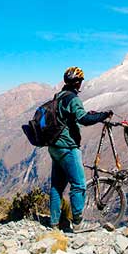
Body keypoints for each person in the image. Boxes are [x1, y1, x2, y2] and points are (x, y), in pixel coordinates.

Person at [49, 66, 112, 233]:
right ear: (77, 82)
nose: (80, 84)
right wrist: (103, 116)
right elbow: (83, 119)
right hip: (68, 148)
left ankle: (54, 223)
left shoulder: (59, 96)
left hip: (54, 147)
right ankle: (77, 223)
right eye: (80, 81)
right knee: (78, 185)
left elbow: (69, 117)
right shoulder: (74, 99)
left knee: (56, 186)